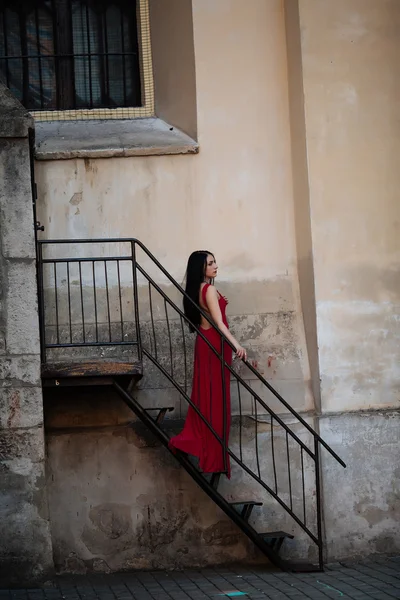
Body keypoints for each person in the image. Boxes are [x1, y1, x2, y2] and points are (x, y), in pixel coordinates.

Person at [168, 251, 247, 478]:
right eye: (210, 263)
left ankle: (206, 450)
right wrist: (237, 345)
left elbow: (210, 315)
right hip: (214, 345)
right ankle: (212, 456)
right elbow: (219, 324)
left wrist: (220, 303)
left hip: (206, 344)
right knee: (216, 400)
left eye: (214, 262)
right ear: (200, 268)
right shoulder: (209, 289)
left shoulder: (200, 289)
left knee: (208, 397)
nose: (215, 266)